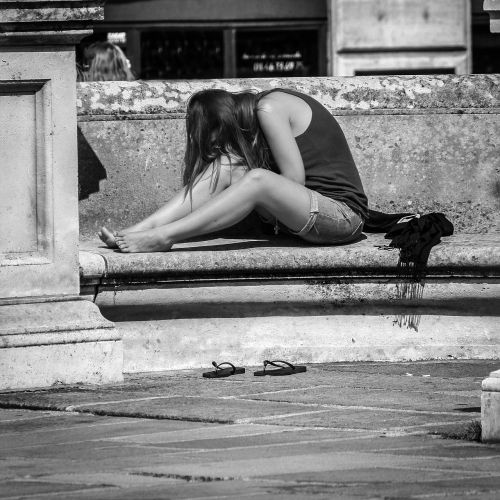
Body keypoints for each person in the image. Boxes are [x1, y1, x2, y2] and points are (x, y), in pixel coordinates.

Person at [98, 88, 368, 252]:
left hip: (342, 217)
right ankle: (142, 229)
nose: (213, 144)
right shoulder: (258, 114)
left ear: (225, 123)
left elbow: (294, 181)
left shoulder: (269, 107)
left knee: (257, 178)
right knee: (227, 165)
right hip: (307, 215)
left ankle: (163, 236)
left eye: (212, 135)